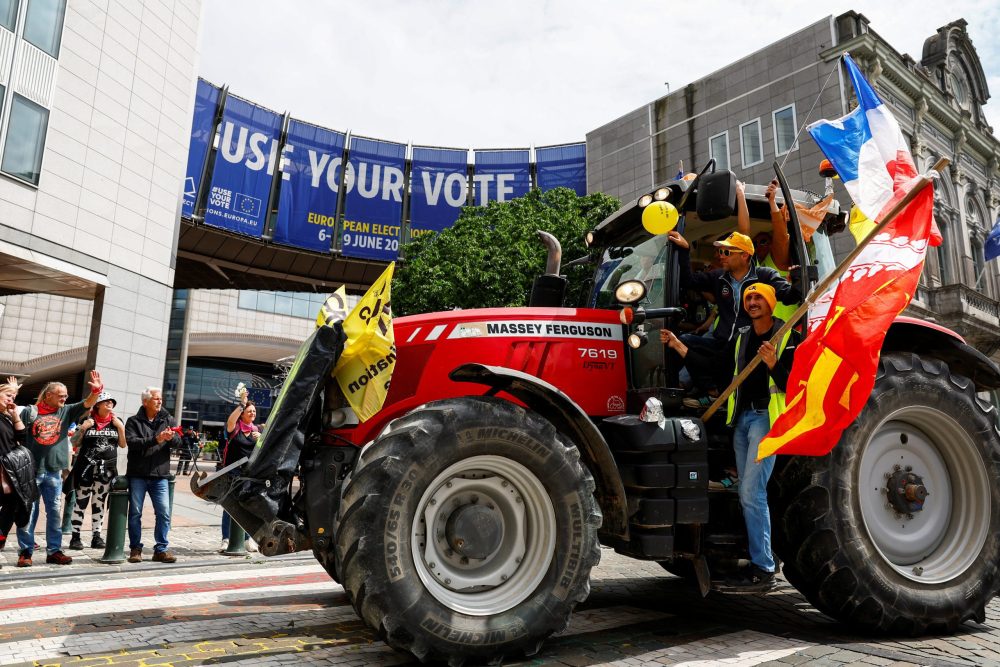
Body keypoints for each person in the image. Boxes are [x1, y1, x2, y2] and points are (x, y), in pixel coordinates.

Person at [662, 282, 799, 589]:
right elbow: (712, 367)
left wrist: (774, 364)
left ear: (771, 303)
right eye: (748, 297)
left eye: (758, 297)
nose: (752, 302)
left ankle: (763, 568)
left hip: (767, 420)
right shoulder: (742, 338)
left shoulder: (789, 336)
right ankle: (757, 560)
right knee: (746, 493)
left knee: (752, 492)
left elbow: (795, 386)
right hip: (743, 421)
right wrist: (678, 346)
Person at [666, 228, 798, 402]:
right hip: (721, 342)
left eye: (726, 252)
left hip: (747, 345)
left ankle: (724, 395)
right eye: (720, 251)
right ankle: (712, 391)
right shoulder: (718, 277)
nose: (721, 255)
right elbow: (689, 281)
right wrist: (684, 250)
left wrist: (799, 277)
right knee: (684, 341)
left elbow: (790, 297)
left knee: (727, 364)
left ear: (744, 255)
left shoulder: (764, 275)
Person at [16, 371, 105, 567]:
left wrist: (96, 391)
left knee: (54, 512)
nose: (64, 398)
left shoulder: (66, 411)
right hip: (31, 472)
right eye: (61, 395)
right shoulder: (30, 412)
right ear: (48, 395)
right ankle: (25, 552)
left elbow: (87, 403)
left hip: (54, 472)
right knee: (29, 514)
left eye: (65, 395)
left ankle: (54, 551)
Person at [125, 387, 179, 564]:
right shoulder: (133, 421)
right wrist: (157, 439)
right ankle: (135, 548)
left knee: (164, 512)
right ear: (145, 401)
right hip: (138, 474)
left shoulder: (167, 419)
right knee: (135, 513)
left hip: (160, 474)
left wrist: (171, 437)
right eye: (156, 399)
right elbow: (132, 443)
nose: (160, 401)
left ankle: (161, 549)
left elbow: (179, 441)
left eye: (161, 399)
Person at [65, 392, 126, 550]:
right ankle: (75, 537)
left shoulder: (116, 422)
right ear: (97, 404)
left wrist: (120, 427)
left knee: (99, 503)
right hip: (86, 469)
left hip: (106, 471)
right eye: (106, 401)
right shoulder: (87, 420)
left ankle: (96, 536)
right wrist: (83, 429)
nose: (110, 404)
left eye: (112, 402)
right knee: (81, 502)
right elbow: (74, 442)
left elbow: (123, 444)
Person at [738, 179, 796, 322]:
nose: (758, 246)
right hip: (761, 331)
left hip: (785, 330)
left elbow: (781, 236)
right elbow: (744, 235)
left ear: (771, 244)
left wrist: (772, 202)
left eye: (764, 241)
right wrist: (740, 195)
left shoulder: (778, 261)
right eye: (755, 243)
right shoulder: (755, 266)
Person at [0, 378, 36, 567]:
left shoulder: (7, 417)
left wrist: (15, 415)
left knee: (12, 507)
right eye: (7, 395)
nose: (11, 399)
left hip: (9, 471)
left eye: (14, 397)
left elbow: (22, 437)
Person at [219, 389, 259, 552]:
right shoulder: (234, 428)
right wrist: (242, 403)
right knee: (229, 506)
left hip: (249, 474)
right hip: (231, 473)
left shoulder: (257, 430)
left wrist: (260, 441)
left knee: (248, 506)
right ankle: (226, 539)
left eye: (254, 411)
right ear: (242, 414)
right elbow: (230, 420)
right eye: (249, 411)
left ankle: (248, 539)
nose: (252, 413)